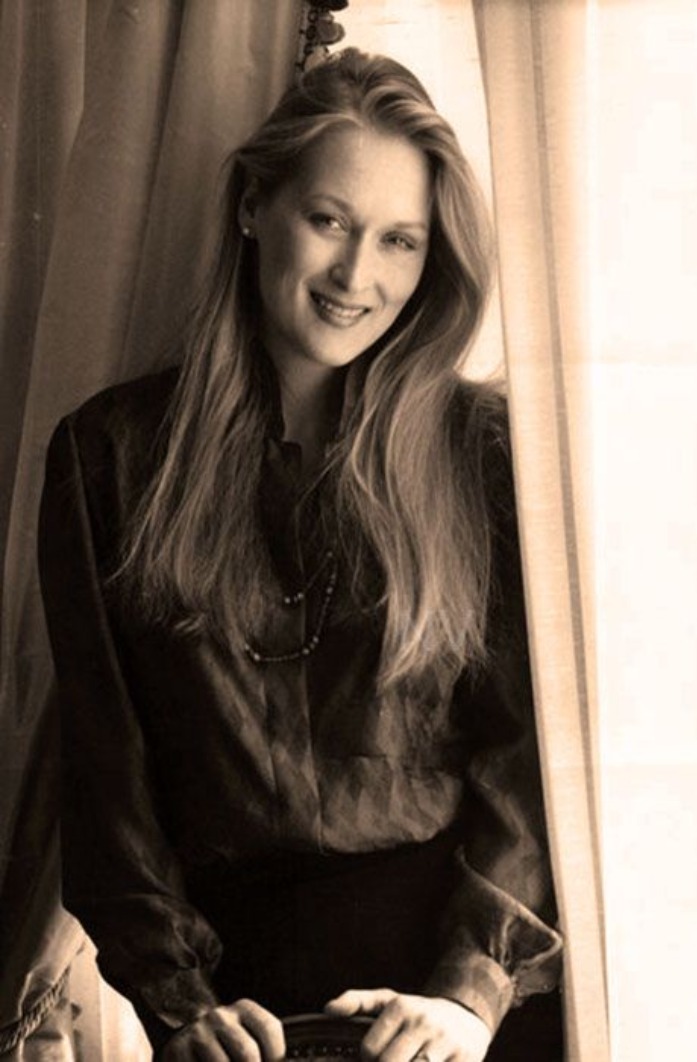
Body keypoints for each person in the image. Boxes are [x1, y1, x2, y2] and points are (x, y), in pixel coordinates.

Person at [38, 49, 563, 1062]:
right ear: (252, 206)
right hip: (243, 1014)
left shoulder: (484, 455)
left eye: (399, 241)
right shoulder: (108, 457)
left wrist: (468, 994)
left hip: (464, 1013)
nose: (357, 277)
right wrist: (179, 1003)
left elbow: (528, 754)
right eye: (328, 220)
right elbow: (106, 776)